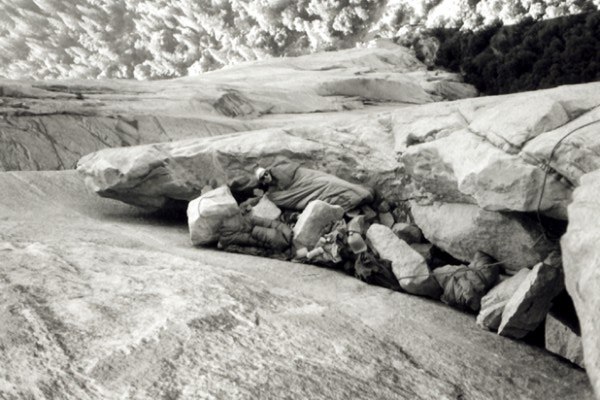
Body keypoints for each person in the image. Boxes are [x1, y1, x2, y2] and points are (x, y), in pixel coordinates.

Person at [255, 160, 373, 211]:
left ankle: (362, 192)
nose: (266, 176)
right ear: (262, 182)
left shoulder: (278, 170)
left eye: (265, 173)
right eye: (262, 177)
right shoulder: (273, 192)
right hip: (304, 189)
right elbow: (287, 198)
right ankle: (358, 197)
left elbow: (290, 178)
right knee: (328, 188)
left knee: (330, 181)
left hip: (306, 177)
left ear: (268, 171)